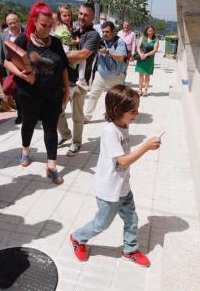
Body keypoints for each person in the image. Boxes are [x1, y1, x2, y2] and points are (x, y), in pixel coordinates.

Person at [69, 84, 161, 267]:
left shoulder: (123, 124)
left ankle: (130, 250)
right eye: (133, 111)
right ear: (117, 110)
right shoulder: (110, 131)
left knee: (132, 219)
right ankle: (78, 238)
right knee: (101, 224)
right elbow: (122, 161)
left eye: (137, 110)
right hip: (109, 191)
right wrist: (145, 147)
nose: (137, 114)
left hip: (123, 187)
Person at [4, 2, 70, 185]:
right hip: (29, 94)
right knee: (29, 123)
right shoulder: (23, 40)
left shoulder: (55, 42)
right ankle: (25, 150)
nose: (48, 29)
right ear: (34, 21)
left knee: (51, 127)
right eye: (43, 25)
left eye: (50, 25)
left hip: (53, 93)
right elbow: (7, 62)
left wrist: (67, 91)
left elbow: (63, 67)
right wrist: (22, 75)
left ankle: (52, 166)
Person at [57, 3, 100, 156]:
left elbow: (82, 55)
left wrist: (57, 56)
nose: (82, 17)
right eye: (80, 14)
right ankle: (65, 134)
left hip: (80, 83)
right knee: (56, 111)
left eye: (86, 15)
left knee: (77, 115)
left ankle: (76, 142)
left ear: (93, 17)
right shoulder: (72, 32)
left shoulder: (93, 36)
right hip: (64, 79)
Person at [83, 21, 127, 122]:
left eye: (107, 32)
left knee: (117, 98)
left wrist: (107, 52)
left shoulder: (119, 42)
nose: (104, 34)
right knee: (93, 95)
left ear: (113, 32)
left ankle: (115, 116)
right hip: (101, 76)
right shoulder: (99, 41)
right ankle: (87, 117)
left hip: (116, 77)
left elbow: (121, 57)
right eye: (103, 31)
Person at [55, 5, 88, 91]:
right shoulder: (63, 28)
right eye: (65, 16)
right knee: (83, 59)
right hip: (67, 52)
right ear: (60, 16)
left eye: (69, 15)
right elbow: (68, 41)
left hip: (65, 53)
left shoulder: (64, 27)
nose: (67, 18)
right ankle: (81, 79)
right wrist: (77, 41)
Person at [0, 10, 22, 121]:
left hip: (25, 69)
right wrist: (3, 73)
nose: (13, 25)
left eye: (15, 22)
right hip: (11, 71)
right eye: (10, 23)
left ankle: (31, 114)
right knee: (16, 94)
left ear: (19, 22)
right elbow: (1, 56)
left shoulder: (27, 34)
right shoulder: (3, 36)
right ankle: (20, 115)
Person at [135, 25, 159, 97]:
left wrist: (146, 55)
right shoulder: (142, 38)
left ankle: (145, 90)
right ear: (146, 31)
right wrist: (140, 54)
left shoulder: (156, 40)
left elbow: (155, 50)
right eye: (149, 31)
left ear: (153, 31)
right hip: (141, 58)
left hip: (149, 59)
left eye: (152, 30)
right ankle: (139, 90)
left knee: (147, 75)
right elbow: (138, 47)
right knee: (140, 75)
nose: (150, 32)